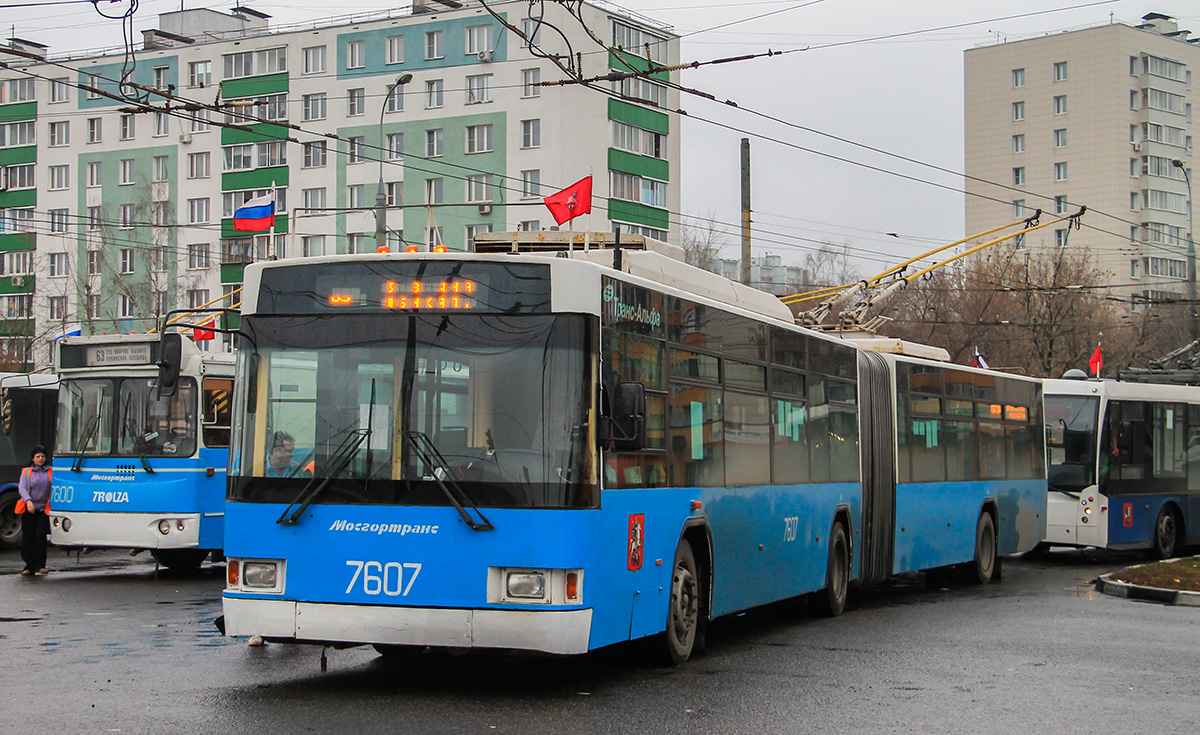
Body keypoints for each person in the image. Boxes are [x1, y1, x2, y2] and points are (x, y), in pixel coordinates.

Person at [18, 446, 52, 576]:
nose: (41, 459)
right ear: (33, 459)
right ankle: (29, 566)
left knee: (40, 536)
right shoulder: (27, 472)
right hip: (29, 509)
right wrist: (28, 501)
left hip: (44, 509)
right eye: (38, 457)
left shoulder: (50, 471)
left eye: (42, 456)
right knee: (28, 538)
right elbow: (22, 488)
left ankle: (41, 565)